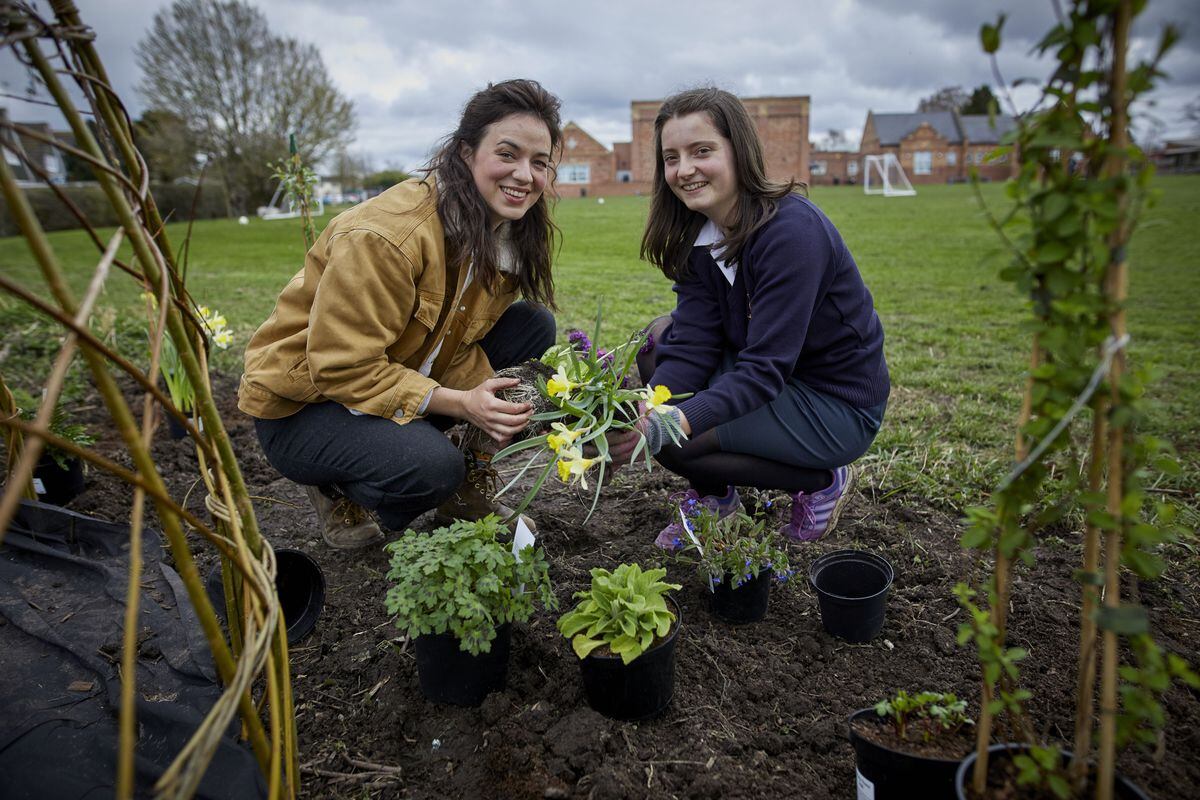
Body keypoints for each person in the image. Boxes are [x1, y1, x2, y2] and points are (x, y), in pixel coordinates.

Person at [237, 79, 562, 549]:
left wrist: (546, 405)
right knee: (431, 469)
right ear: (466, 153)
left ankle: (465, 493)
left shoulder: (501, 233)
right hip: (307, 405)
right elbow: (341, 366)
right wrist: (462, 404)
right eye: (507, 154)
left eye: (540, 162)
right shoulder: (387, 236)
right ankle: (340, 487)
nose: (525, 175)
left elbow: (454, 339)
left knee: (533, 324)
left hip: (395, 371)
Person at [611, 87, 889, 548]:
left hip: (834, 402)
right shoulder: (698, 233)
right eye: (672, 157)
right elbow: (696, 341)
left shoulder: (791, 233)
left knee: (682, 442)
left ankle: (822, 481)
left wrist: (672, 423)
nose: (685, 170)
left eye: (702, 151)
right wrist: (651, 406)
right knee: (658, 342)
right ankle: (717, 501)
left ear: (739, 151)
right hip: (775, 382)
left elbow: (764, 369)